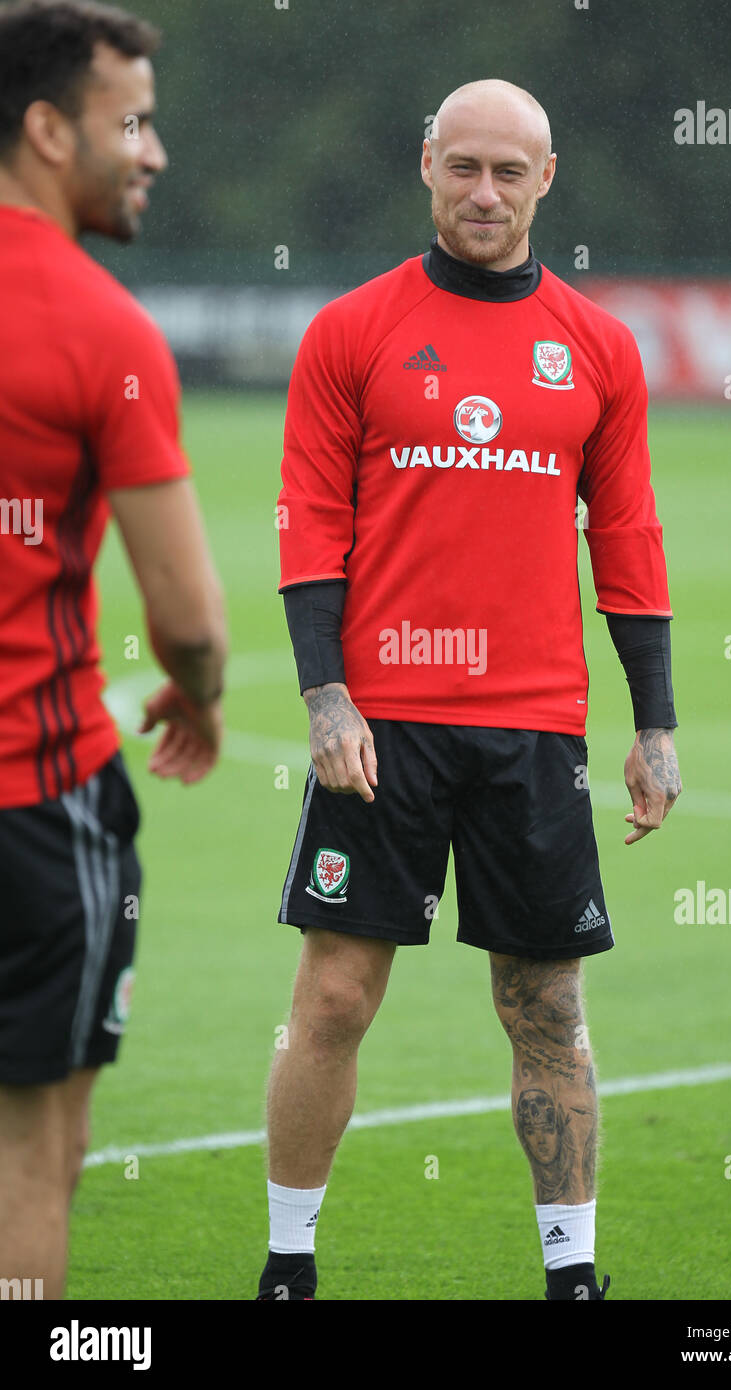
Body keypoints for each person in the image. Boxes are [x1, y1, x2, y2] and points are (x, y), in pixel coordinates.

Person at [261, 78, 681, 1302]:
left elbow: (629, 535)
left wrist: (651, 721)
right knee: (332, 996)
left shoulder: (597, 345)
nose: (483, 193)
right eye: (463, 168)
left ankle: (572, 1274)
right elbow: (307, 523)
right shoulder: (351, 329)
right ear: (425, 164)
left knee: (544, 1007)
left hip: (532, 727)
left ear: (546, 177)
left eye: (509, 171)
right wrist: (324, 693)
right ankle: (289, 1263)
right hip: (382, 726)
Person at [0, 0, 226, 1299]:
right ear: (47, 129)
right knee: (35, 1160)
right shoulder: (103, 330)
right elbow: (188, 618)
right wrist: (197, 697)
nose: (152, 152)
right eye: (130, 122)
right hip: (34, 805)